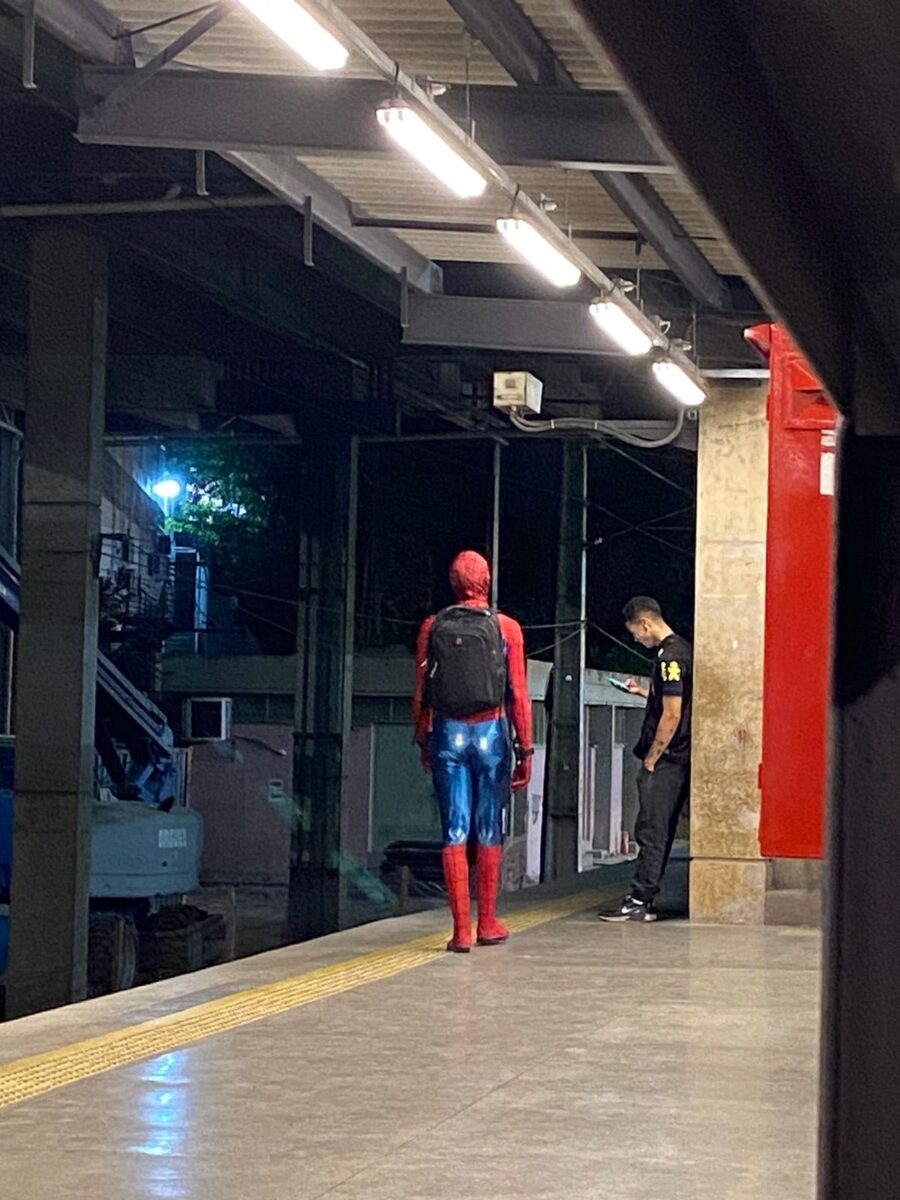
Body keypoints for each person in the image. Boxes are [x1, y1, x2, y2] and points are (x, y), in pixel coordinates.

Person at [413, 551, 533, 953]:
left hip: (447, 734)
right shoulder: (507, 628)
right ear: (487, 580)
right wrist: (526, 749)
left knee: (454, 830)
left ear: (453, 581)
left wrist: (423, 740)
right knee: (488, 827)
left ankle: (460, 931)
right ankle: (489, 922)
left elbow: (421, 693)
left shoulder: (432, 627)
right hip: (491, 733)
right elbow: (518, 694)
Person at [599, 596, 692, 923]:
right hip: (677, 758)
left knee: (652, 830)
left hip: (668, 760)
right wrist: (642, 692)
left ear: (645, 623)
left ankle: (640, 899)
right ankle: (644, 897)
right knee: (658, 829)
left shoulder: (670, 657)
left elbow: (672, 713)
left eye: (636, 634)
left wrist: (653, 757)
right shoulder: (680, 651)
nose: (637, 639)